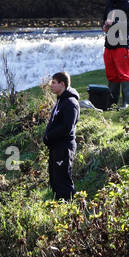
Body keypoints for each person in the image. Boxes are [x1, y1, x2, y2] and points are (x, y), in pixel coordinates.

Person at [43, 71, 80, 200]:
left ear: (62, 84)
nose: (50, 85)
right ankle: (58, 209)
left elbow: (67, 128)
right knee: (55, 179)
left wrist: (49, 136)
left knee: (63, 181)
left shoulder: (70, 103)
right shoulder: (60, 101)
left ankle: (71, 209)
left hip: (64, 147)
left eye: (53, 82)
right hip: (56, 147)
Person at [100, 0, 129, 109]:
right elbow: (104, 20)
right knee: (111, 73)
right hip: (109, 43)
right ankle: (112, 103)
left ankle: (126, 103)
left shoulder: (128, 4)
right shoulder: (110, 3)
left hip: (123, 43)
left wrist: (113, 25)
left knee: (123, 73)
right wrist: (104, 26)